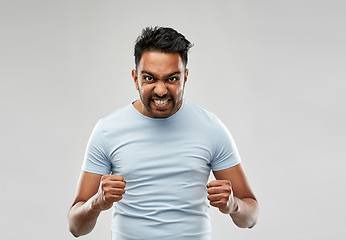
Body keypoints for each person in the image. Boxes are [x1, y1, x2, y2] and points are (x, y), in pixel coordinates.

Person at [68, 26, 258, 239]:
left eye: (172, 79)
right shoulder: (107, 130)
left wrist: (233, 205)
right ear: (135, 77)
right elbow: (76, 227)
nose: (160, 90)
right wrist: (97, 202)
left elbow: (250, 218)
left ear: (185, 78)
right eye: (149, 78)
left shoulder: (211, 128)